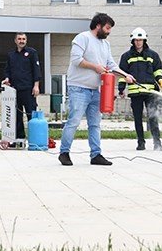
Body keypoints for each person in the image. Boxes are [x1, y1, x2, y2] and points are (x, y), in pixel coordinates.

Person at [58, 13, 135, 167]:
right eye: (107, 28)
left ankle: (96, 155)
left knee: (95, 124)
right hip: (78, 88)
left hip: (95, 90)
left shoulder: (105, 45)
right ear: (98, 25)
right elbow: (76, 60)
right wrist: (96, 67)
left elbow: (111, 65)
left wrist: (126, 75)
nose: (109, 32)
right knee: (74, 121)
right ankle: (64, 153)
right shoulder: (82, 38)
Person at [118, 27, 162, 152]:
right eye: (136, 40)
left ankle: (157, 143)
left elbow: (157, 71)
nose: (138, 42)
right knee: (138, 119)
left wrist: (160, 79)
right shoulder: (126, 56)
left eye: (140, 40)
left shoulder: (153, 55)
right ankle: (141, 143)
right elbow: (123, 74)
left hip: (150, 92)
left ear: (144, 40)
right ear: (133, 41)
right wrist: (121, 89)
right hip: (135, 93)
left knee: (153, 117)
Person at [1, 33, 42, 139]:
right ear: (15, 41)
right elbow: (7, 70)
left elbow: (36, 70)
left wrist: (36, 86)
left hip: (29, 89)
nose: (21, 41)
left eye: (23, 39)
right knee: (16, 116)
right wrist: (7, 79)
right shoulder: (11, 55)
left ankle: (34, 138)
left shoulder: (32, 53)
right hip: (14, 90)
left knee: (31, 114)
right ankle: (20, 138)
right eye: (19, 39)